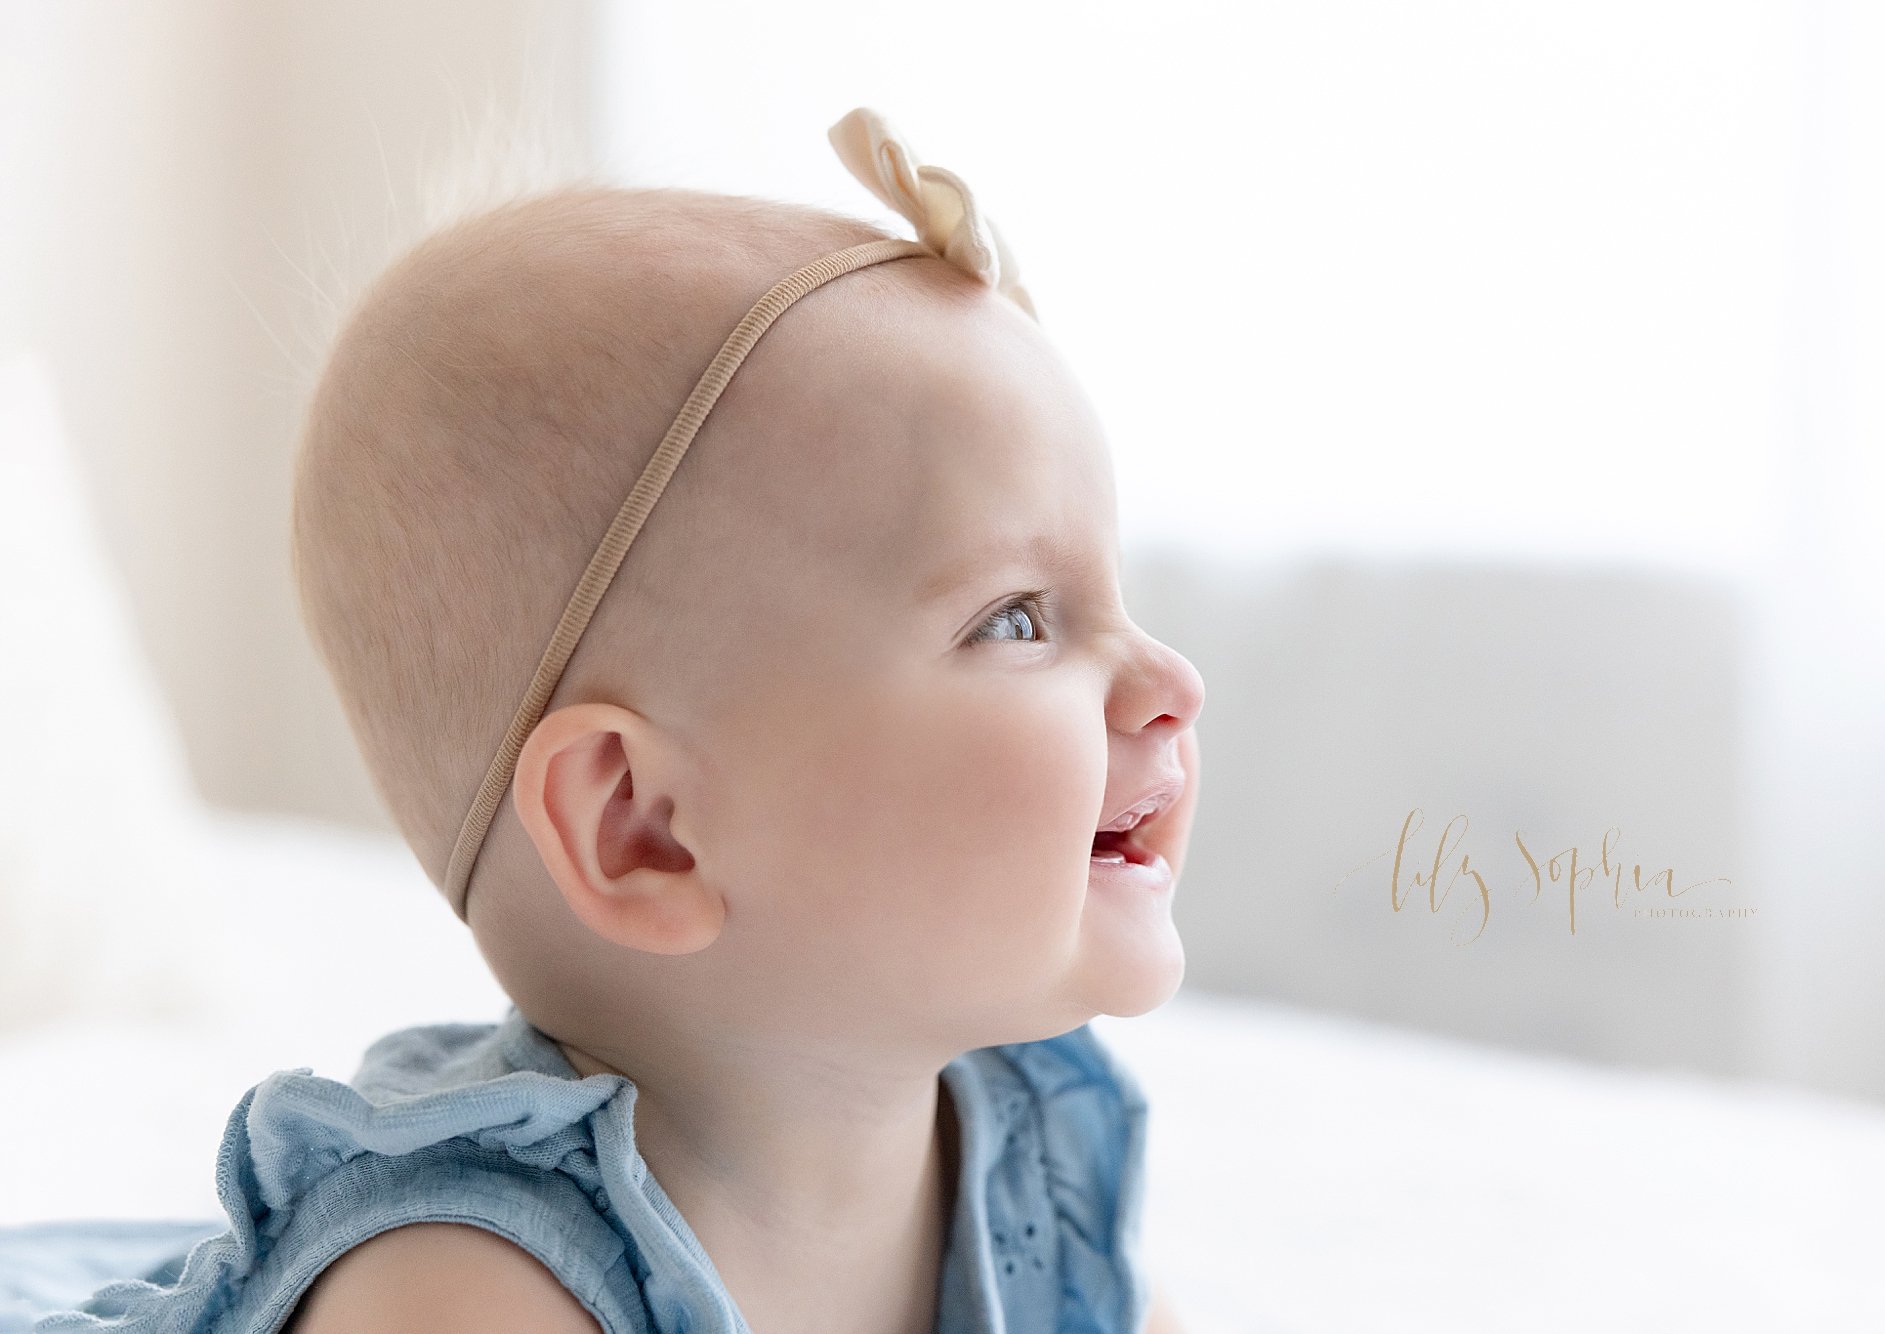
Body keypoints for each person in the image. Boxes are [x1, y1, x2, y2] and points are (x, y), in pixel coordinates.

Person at [23, 107, 1202, 1334]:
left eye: (1115, 596)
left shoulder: (1031, 1171)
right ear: (644, 828)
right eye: (1015, 618)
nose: (1169, 677)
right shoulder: (467, 1292)